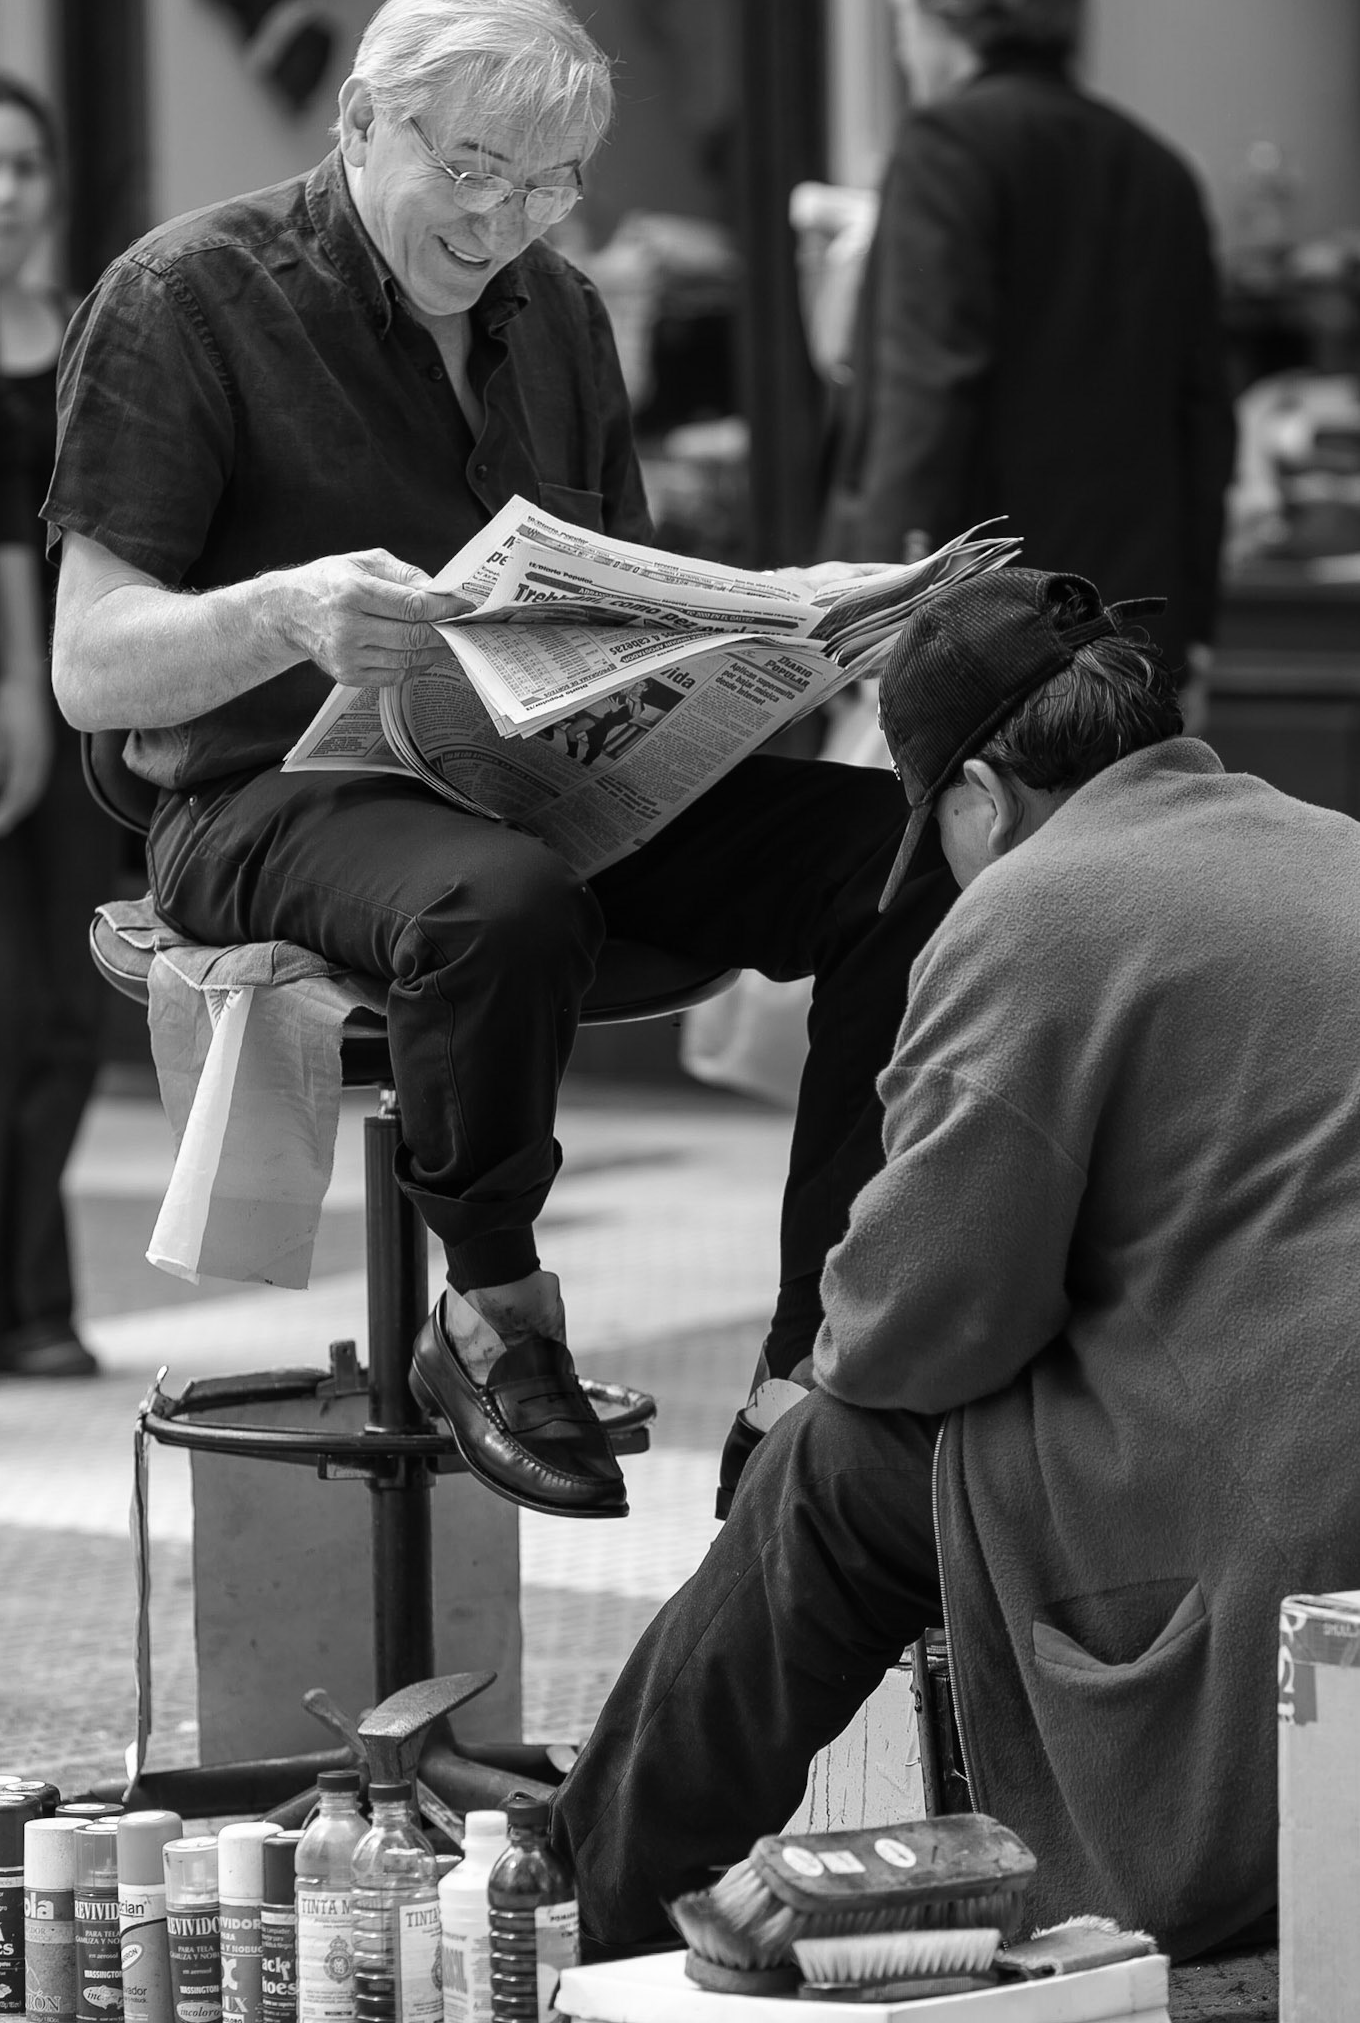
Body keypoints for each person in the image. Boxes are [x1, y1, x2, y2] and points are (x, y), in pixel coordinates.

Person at [47, 0, 957, 1514]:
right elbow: (88, 667)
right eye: (468, 170)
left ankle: (817, 1355)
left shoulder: (564, 312)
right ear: (358, 123)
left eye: (546, 187)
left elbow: (618, 621)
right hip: (267, 797)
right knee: (501, 904)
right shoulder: (185, 296)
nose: (501, 223)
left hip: (534, 776)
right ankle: (491, 1311)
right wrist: (288, 611)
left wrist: (777, 642)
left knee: (906, 854)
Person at [552, 565, 1360, 1959]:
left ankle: (604, 1915)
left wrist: (808, 1380)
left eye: (939, 832)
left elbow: (926, 1319)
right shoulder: (1326, 843)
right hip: (1286, 1413)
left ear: (979, 794)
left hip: (1282, 1501)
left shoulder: (1034, 906)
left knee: (829, 1464)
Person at [824, 0, 1236, 723]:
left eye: (897, 17)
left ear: (940, 12)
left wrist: (880, 614)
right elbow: (1204, 418)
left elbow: (927, 394)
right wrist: (1196, 630)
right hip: (1134, 633)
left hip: (986, 639)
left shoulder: (946, 144)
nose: (898, 45)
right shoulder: (1160, 167)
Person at [0, 75, 112, 1378]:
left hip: (82, 714)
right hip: (11, 697)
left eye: (25, 165)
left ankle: (35, 1298)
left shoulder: (92, 336)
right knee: (4, 1014)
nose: (5, 192)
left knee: (68, 1022)